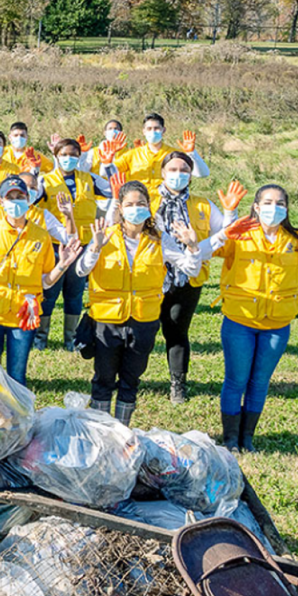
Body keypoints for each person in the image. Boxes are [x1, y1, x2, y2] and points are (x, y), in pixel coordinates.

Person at [76, 177, 203, 425]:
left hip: (143, 320)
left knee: (131, 379)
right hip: (106, 319)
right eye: (131, 204)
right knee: (103, 378)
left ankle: (122, 431)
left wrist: (192, 246)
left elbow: (191, 269)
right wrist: (94, 249)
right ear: (121, 208)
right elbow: (81, 270)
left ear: (149, 206)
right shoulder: (105, 235)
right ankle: (102, 430)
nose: (136, 208)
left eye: (141, 203)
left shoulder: (159, 239)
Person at [0, 175, 82, 386]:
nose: (15, 201)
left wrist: (63, 264)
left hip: (23, 315)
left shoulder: (41, 235)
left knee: (17, 376)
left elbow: (46, 282)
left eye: (20, 196)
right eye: (10, 197)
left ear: (28, 198)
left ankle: (17, 418)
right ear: (2, 202)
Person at [206, 185, 298, 452]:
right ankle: (230, 439)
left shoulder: (296, 241)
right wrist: (227, 219)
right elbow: (211, 250)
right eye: (269, 202)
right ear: (257, 207)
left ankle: (247, 438)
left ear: (287, 209)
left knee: (260, 382)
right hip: (240, 322)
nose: (275, 207)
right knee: (236, 380)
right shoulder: (239, 236)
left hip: (277, 325)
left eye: (281, 203)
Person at [151, 151, 240, 403]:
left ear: (191, 175)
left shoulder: (202, 205)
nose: (178, 174)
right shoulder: (147, 201)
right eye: (173, 169)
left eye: (184, 170)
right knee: (143, 331)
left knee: (177, 332)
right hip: (150, 278)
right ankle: (129, 378)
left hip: (189, 278)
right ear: (162, 172)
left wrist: (229, 212)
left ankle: (177, 384)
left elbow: (223, 236)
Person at [37, 137, 109, 350]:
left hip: (83, 243)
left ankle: (71, 339)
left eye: (73, 155)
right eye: (64, 155)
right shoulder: (46, 180)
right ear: (56, 156)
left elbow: (114, 191)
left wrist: (109, 163)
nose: (68, 159)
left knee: (75, 292)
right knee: (49, 291)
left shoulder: (89, 179)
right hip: (56, 245)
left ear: (79, 157)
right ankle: (41, 338)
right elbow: (29, 200)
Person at [104, 113, 210, 199]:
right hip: (138, 204)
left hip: (166, 205)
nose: (153, 132)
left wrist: (191, 153)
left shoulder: (173, 155)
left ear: (163, 130)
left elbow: (203, 174)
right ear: (144, 131)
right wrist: (108, 161)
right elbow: (106, 174)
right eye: (149, 129)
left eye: (156, 128)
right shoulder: (133, 154)